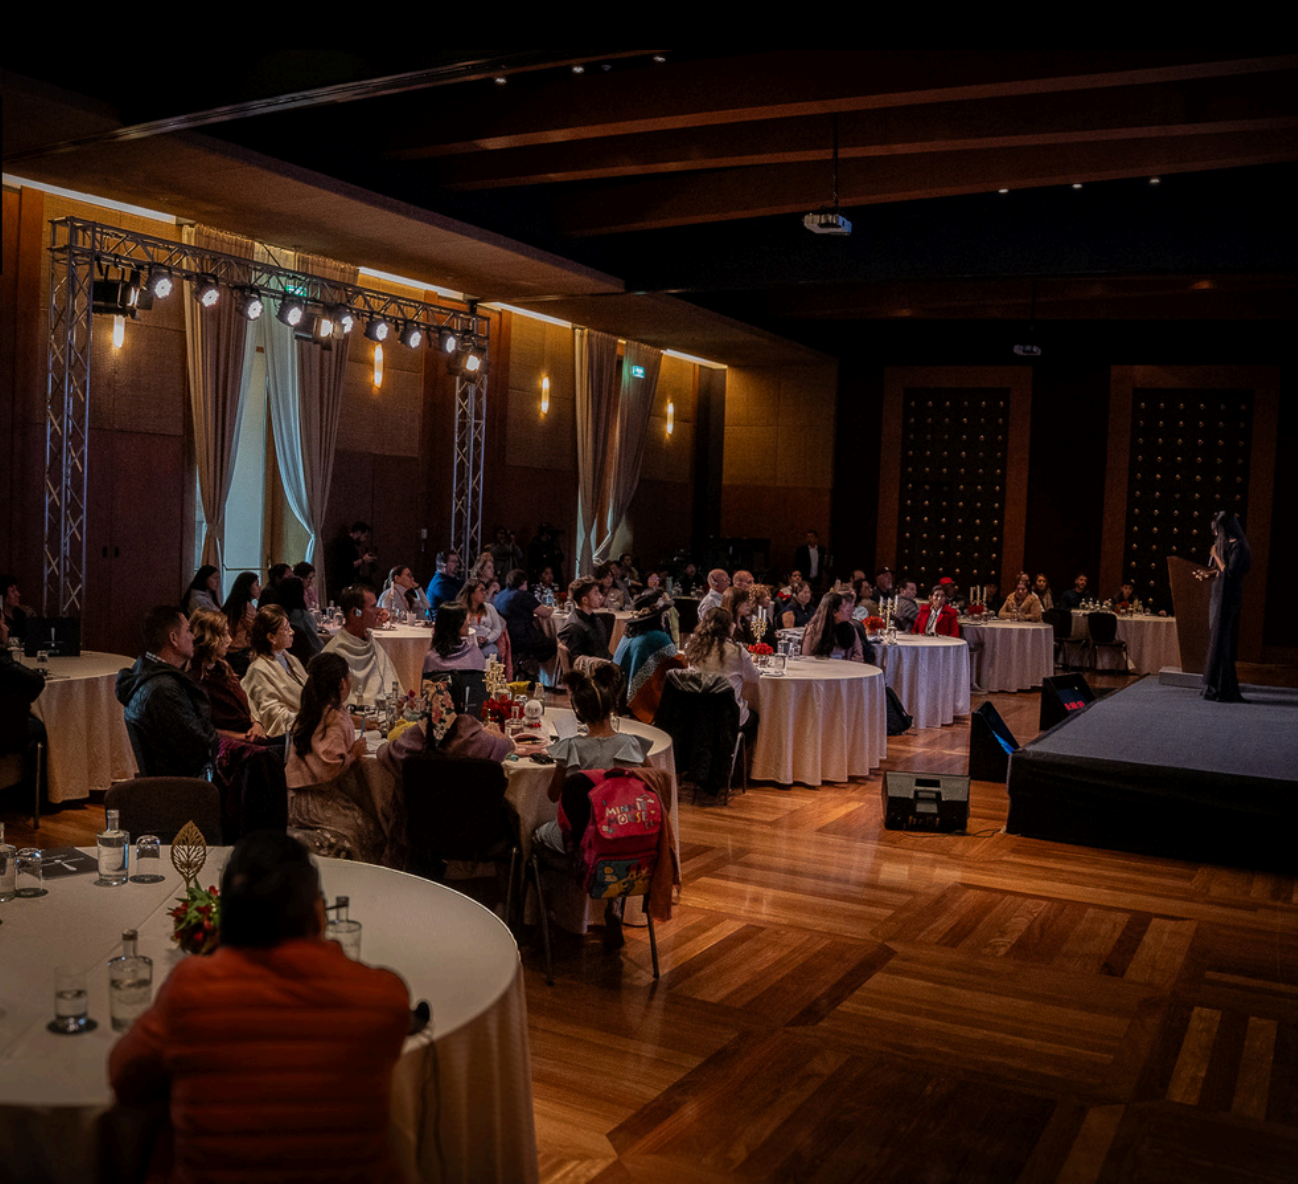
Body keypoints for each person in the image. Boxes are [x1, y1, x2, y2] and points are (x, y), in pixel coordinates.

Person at [109, 830, 410, 1184]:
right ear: (316, 911)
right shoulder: (382, 997)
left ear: (228, 914)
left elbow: (124, 1076)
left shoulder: (190, 991)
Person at [284, 652, 388, 862]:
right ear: (342, 683)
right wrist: (353, 754)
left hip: (292, 799)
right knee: (368, 832)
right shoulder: (334, 716)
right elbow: (328, 764)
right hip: (313, 803)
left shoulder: (313, 709)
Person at [115, 606, 218, 777]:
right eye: (188, 631)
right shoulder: (164, 690)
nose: (193, 637)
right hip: (182, 787)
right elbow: (200, 750)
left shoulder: (145, 675)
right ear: (173, 638)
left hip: (170, 782)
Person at [547, 662, 645, 771]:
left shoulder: (571, 749)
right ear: (612, 707)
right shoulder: (633, 744)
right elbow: (654, 779)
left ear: (578, 713)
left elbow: (556, 787)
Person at [1197, 510, 1251, 702]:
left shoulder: (1240, 547)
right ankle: (1214, 686)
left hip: (1228, 599)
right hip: (1218, 595)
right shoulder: (1226, 544)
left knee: (1222, 641)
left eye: (1218, 529)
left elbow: (1230, 572)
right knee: (1215, 641)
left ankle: (1224, 687)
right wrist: (1209, 574)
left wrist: (1215, 555)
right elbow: (1220, 571)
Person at [188, 609, 265, 743]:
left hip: (249, 735)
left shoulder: (222, 667)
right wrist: (245, 737)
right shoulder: (195, 678)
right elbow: (205, 729)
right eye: (224, 635)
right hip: (230, 747)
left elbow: (244, 710)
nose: (229, 640)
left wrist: (256, 725)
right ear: (209, 638)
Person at [323, 585, 400, 707]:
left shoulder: (371, 642)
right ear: (356, 612)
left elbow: (393, 687)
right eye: (373, 607)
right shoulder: (333, 653)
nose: (378, 612)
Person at [0, 612, 47, 809]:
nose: (7, 628)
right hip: (6, 731)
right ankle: (35, 799)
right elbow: (37, 682)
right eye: (2, 623)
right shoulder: (4, 663)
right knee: (40, 729)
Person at [240, 606, 307, 738]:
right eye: (286, 629)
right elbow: (272, 714)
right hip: (290, 734)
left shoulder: (290, 659)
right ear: (271, 637)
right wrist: (307, 719)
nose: (292, 632)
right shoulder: (259, 669)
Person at [614, 592, 679, 722]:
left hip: (620, 700)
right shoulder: (658, 638)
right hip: (645, 703)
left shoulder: (627, 636)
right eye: (663, 614)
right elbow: (678, 668)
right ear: (657, 617)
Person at [495, 568, 557, 677]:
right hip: (522, 637)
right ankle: (531, 669)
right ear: (524, 583)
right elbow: (545, 613)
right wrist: (552, 609)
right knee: (551, 645)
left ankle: (524, 665)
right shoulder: (523, 595)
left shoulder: (501, 595)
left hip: (505, 637)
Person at [422, 602, 486, 675]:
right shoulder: (432, 659)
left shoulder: (473, 651)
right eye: (466, 619)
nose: (469, 623)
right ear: (455, 623)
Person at [803, 591, 866, 661]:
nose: (849, 610)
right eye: (844, 607)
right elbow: (807, 657)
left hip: (846, 669)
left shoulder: (851, 628)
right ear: (834, 612)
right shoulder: (814, 629)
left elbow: (858, 655)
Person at [560, 576, 611, 661]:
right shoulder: (574, 626)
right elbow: (578, 663)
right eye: (596, 593)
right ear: (585, 600)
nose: (600, 597)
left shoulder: (595, 619)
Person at [221, 571, 261, 677]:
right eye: (256, 585)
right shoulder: (246, 608)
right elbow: (257, 630)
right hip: (240, 654)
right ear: (248, 587)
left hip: (229, 652)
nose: (259, 588)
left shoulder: (233, 604)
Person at [277, 575, 323, 666]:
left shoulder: (277, 614)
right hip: (306, 659)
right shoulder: (303, 616)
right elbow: (315, 644)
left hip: (281, 658)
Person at [458, 578, 505, 659]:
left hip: (486, 643)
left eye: (485, 590)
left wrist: (487, 639)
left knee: (491, 654)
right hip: (467, 643)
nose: (485, 593)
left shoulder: (489, 608)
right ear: (471, 593)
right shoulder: (461, 609)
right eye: (481, 590)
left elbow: (497, 628)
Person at [329, 519, 379, 593]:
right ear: (358, 532)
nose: (364, 540)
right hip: (344, 583)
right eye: (365, 536)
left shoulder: (348, 543)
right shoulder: (346, 544)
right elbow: (347, 566)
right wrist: (363, 560)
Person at [0, 574, 28, 643]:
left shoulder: (20, 614)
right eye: (12, 591)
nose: (18, 594)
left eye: (17, 590)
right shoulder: (1, 616)